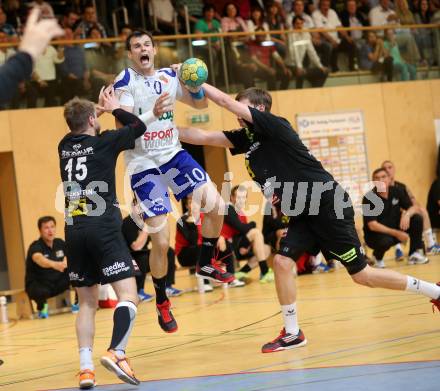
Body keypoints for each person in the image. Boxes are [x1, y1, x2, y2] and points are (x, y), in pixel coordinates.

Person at [178, 84, 440, 354]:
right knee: (281, 262)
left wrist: (197, 84)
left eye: (241, 106)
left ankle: (434, 291)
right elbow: (203, 136)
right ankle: (292, 333)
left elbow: (222, 100)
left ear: (258, 109)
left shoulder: (274, 125)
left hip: (328, 206)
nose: (236, 113)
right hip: (302, 214)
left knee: (363, 276)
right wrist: (160, 134)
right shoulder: (247, 138)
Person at [113, 30, 233, 334]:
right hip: (143, 164)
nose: (143, 49)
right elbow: (123, 125)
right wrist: (151, 114)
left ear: (154, 50)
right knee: (162, 240)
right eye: (136, 46)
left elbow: (201, 106)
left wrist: (191, 84)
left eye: (147, 45)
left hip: (173, 156)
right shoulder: (125, 80)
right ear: (131, 54)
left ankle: (206, 261)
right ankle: (162, 300)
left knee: (217, 204)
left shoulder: (169, 76)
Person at [59, 88, 169, 387]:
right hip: (103, 228)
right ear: (94, 118)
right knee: (129, 295)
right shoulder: (104, 143)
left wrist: (94, 112)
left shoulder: (64, 145)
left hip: (73, 229)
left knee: (87, 303)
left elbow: (82, 121)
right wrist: (115, 108)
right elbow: (138, 127)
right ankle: (117, 351)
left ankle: (85, 369)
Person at [363, 168, 428, 268]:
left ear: (389, 179)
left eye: (383, 177)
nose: (380, 180)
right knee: (386, 241)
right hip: (375, 235)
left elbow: (414, 207)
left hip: (395, 228)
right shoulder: (368, 198)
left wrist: (407, 215)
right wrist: (397, 233)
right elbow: (372, 225)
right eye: (377, 178)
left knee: (417, 218)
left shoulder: (397, 191)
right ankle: (377, 257)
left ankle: (414, 254)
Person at [0, 8, 63, 105]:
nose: (3, 40)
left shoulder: (11, 51)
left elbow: (58, 60)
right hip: (32, 78)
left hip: (26, 78)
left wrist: (61, 47)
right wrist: (27, 52)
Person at [381, 160, 440, 255]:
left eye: (390, 167)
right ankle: (398, 249)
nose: (387, 170)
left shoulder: (402, 187)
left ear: (394, 169)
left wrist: (409, 212)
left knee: (421, 211)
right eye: (384, 168)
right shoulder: (380, 191)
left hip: (405, 214)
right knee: (396, 216)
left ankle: (430, 245)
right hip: (389, 218)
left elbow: (413, 203)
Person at [222, 185, 274, 283]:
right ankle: (265, 271)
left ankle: (242, 272)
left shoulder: (240, 212)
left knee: (266, 249)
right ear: (232, 198)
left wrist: (247, 246)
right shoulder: (227, 208)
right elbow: (241, 228)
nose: (241, 200)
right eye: (238, 197)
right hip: (228, 247)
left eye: (243, 197)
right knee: (255, 232)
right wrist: (253, 224)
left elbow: (244, 231)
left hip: (239, 245)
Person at [25, 216, 70, 319]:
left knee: (76, 275)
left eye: (52, 227)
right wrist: (55, 265)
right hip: (41, 283)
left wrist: (66, 261)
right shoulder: (36, 246)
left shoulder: (59, 243)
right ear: (40, 230)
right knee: (38, 290)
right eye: (46, 228)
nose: (50, 230)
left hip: (58, 282)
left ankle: (78, 302)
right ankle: (42, 307)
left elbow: (70, 254)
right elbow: (38, 259)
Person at [285, 15, 328, 88]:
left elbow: (311, 51)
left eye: (301, 23)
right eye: (297, 24)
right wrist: (299, 67)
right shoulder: (290, 33)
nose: (299, 26)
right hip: (291, 65)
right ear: (293, 24)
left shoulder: (305, 33)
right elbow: (293, 51)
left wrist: (320, 66)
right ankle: (299, 93)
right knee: (301, 73)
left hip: (300, 65)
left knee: (324, 71)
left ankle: (316, 91)